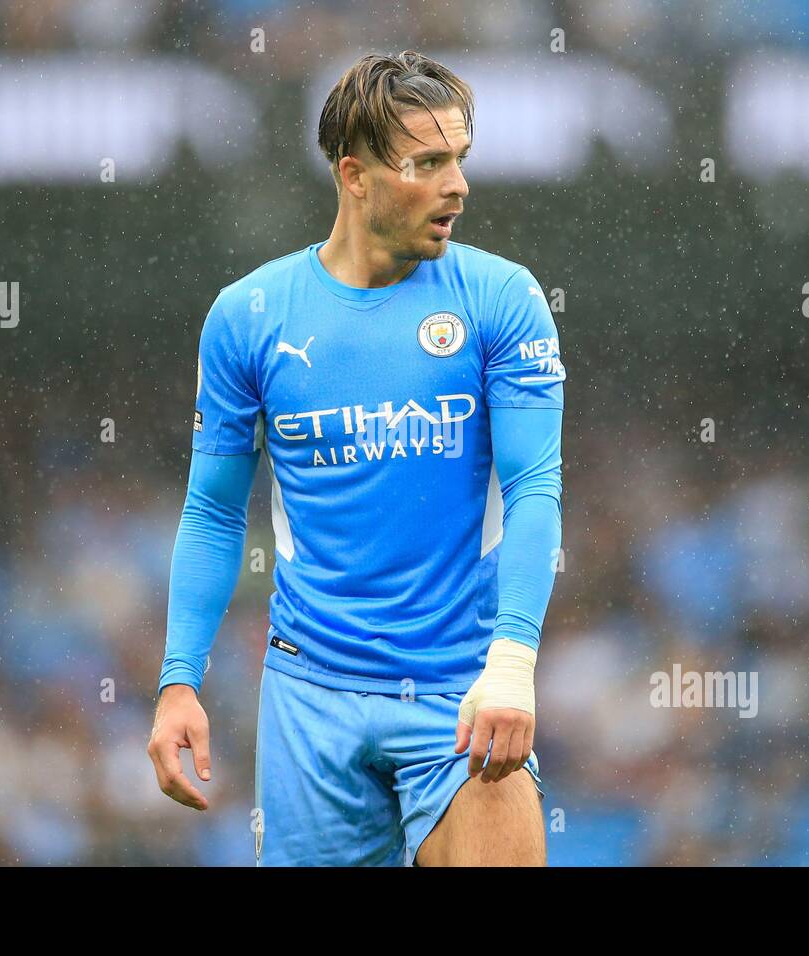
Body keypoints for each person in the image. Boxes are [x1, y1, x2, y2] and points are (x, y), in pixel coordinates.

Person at [147, 50, 566, 866]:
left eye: (461, 160)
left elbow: (535, 485)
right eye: (429, 162)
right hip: (311, 698)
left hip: (463, 689)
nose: (458, 186)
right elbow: (212, 508)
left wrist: (513, 662)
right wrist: (177, 680)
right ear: (355, 175)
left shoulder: (502, 299)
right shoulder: (250, 317)